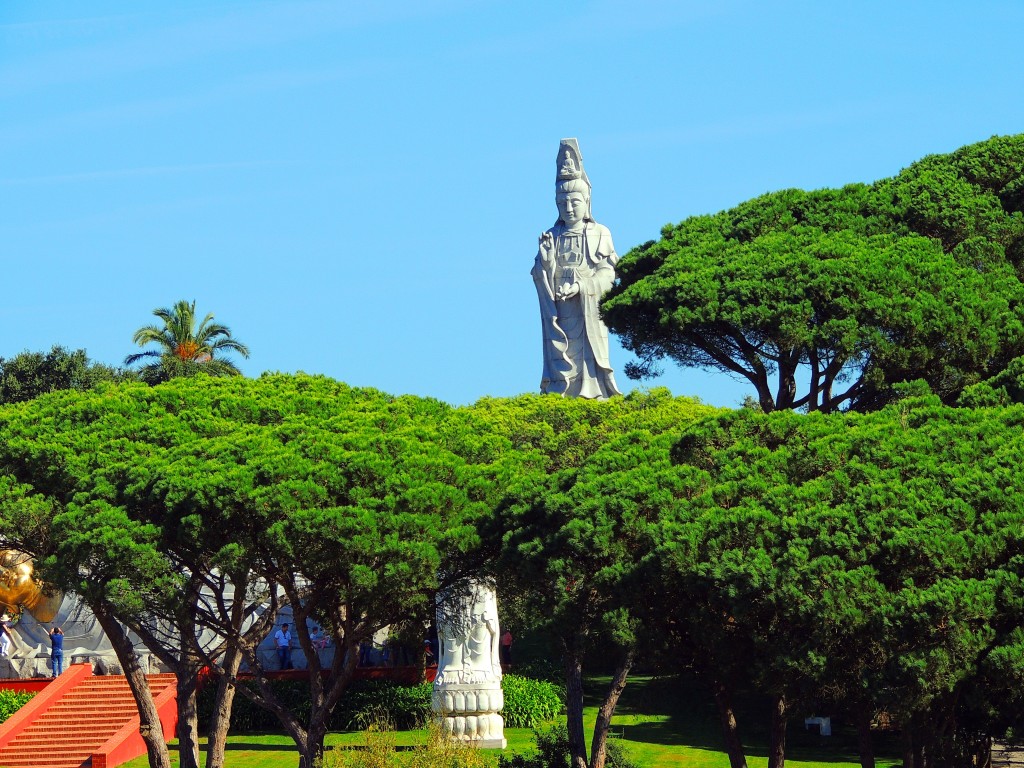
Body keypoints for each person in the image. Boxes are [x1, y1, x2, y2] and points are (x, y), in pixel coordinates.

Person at [532, 140, 622, 400]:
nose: (569, 208)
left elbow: (608, 273)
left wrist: (582, 286)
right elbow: (539, 274)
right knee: (561, 358)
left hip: (587, 310)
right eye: (562, 203)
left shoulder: (599, 232)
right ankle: (561, 391)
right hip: (560, 312)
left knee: (588, 359)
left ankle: (592, 392)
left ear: (587, 201)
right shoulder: (552, 235)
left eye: (574, 202)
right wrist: (547, 263)